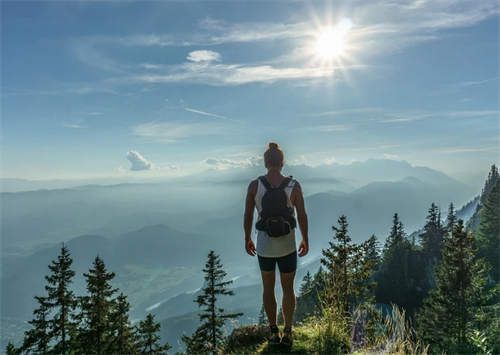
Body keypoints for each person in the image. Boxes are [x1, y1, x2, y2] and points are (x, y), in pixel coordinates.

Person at [243, 142, 309, 347]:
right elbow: (302, 215)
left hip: (264, 247)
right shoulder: (294, 186)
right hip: (287, 246)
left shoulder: (255, 186)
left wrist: (247, 238)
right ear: (282, 162)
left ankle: (273, 331)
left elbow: (248, 214)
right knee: (288, 289)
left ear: (265, 162)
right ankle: (288, 331)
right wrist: (305, 238)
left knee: (268, 288)